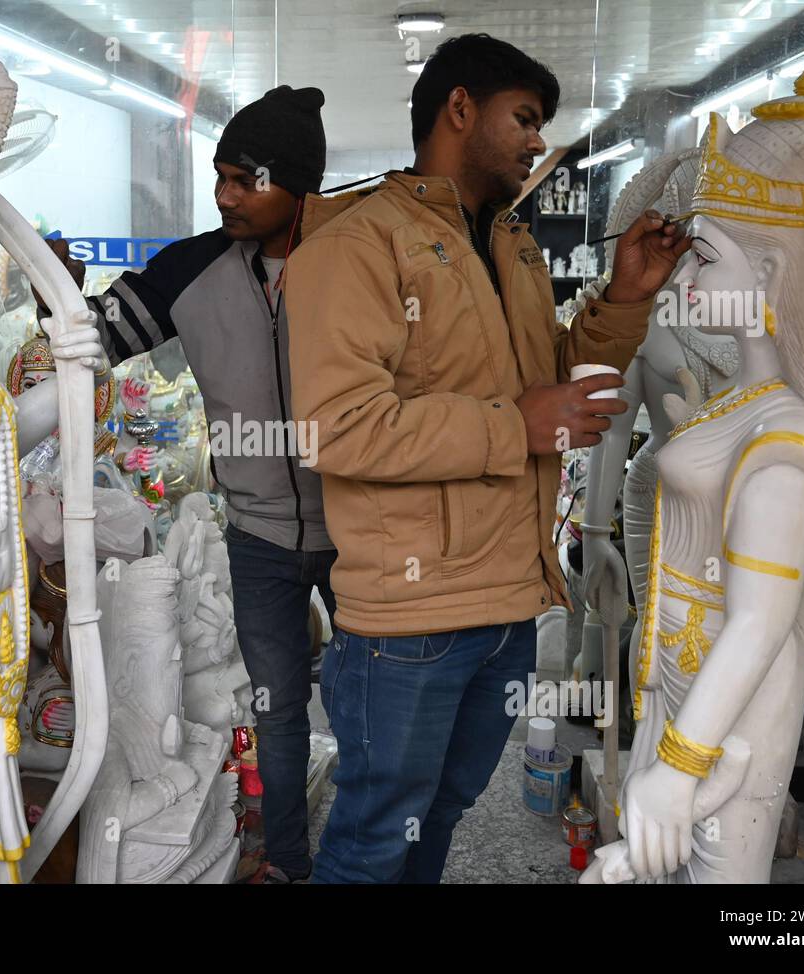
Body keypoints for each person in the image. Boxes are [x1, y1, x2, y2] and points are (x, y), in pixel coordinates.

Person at [284, 34, 690, 884]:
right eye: (527, 118)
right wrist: (515, 425)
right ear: (459, 109)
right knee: (370, 840)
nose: (539, 141)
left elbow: (550, 385)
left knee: (441, 817)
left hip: (509, 606)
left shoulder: (510, 245)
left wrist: (625, 298)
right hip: (409, 622)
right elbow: (337, 429)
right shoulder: (357, 245)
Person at [50, 86, 332, 884]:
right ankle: (288, 863)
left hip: (364, 530)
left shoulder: (355, 267)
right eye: (221, 177)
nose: (226, 195)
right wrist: (60, 295)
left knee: (371, 705)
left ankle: (368, 858)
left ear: (298, 183)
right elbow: (97, 343)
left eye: (248, 179)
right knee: (276, 711)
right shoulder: (193, 268)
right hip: (259, 535)